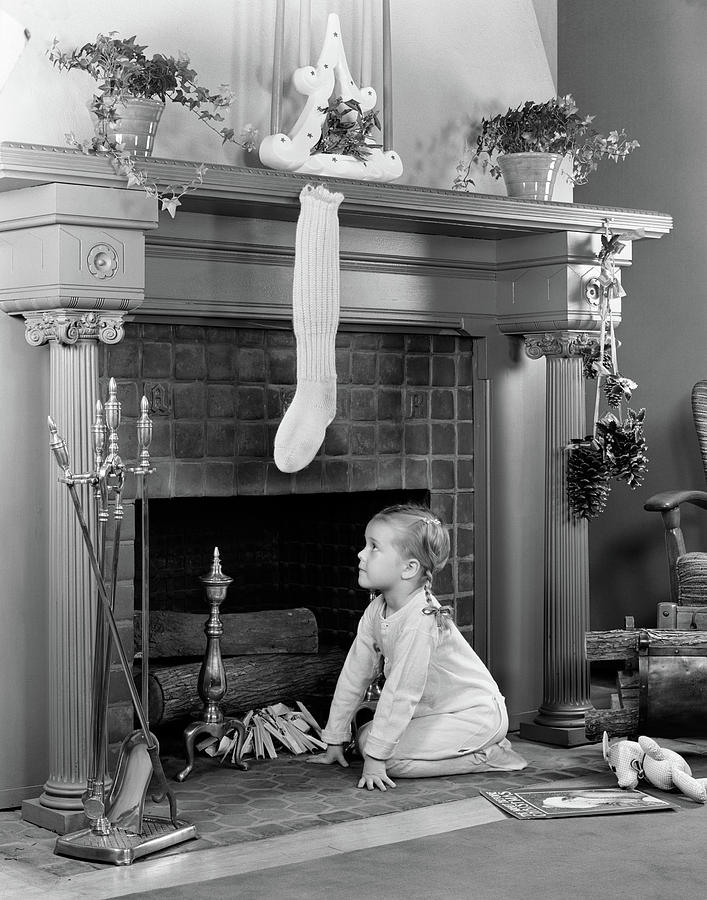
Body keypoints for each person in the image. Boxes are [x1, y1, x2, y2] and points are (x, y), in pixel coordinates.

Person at [308, 503, 527, 791]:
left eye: (373, 547)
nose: (361, 554)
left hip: (474, 715)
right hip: (433, 713)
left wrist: (376, 758)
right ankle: (391, 746)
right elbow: (355, 673)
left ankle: (487, 755)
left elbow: (401, 692)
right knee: (366, 739)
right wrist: (335, 738)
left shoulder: (420, 620)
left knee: (390, 761)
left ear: (409, 568)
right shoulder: (376, 610)